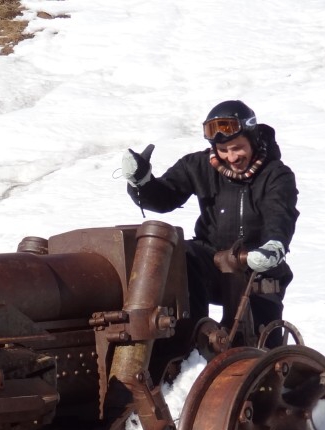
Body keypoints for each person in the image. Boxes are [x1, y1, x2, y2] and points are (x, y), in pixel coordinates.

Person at [121, 100, 298, 346]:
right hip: (211, 264)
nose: (232, 157)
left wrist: (273, 246)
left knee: (260, 348)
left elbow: (280, 213)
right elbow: (164, 197)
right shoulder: (199, 166)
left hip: (256, 269)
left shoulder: (276, 175)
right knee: (183, 256)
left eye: (238, 148)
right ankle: (190, 341)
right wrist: (142, 182)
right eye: (223, 150)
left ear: (253, 139)